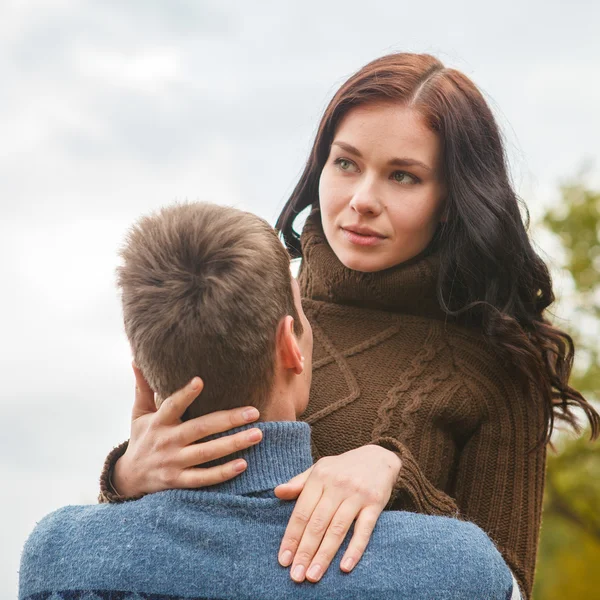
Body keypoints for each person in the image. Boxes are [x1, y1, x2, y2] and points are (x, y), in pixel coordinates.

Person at [97, 54, 599, 600]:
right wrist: (124, 477)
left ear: (451, 200)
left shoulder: (501, 360)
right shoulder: (249, 297)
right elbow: (156, 541)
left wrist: (397, 474)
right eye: (346, 164)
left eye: (403, 176)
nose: (362, 200)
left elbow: (508, 587)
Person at [19, 202, 515, 600]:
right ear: (290, 345)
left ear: (142, 372)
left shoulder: (59, 556)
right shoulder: (458, 567)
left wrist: (123, 478)